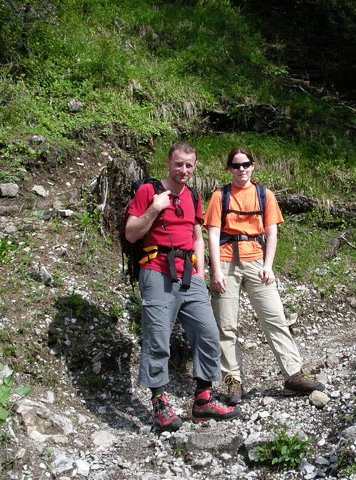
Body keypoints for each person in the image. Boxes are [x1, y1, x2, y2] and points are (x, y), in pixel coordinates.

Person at [125, 141, 240, 432]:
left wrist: (201, 272)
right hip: (155, 271)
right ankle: (159, 402)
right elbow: (131, 233)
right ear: (168, 162)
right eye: (179, 164)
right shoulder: (148, 191)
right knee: (157, 338)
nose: (184, 170)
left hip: (189, 275)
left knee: (208, 333)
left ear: (195, 166)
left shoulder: (192, 195)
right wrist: (154, 208)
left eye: (189, 165)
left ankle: (202, 398)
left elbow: (197, 234)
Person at [204, 146, 325, 405]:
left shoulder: (264, 195)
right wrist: (215, 270)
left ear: (253, 165)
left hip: (257, 262)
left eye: (245, 164)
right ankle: (232, 383)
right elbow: (212, 234)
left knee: (275, 318)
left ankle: (293, 374)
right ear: (229, 169)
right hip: (226, 263)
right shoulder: (219, 196)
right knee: (226, 327)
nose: (241, 169)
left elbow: (272, 232)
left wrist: (268, 265)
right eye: (236, 165)